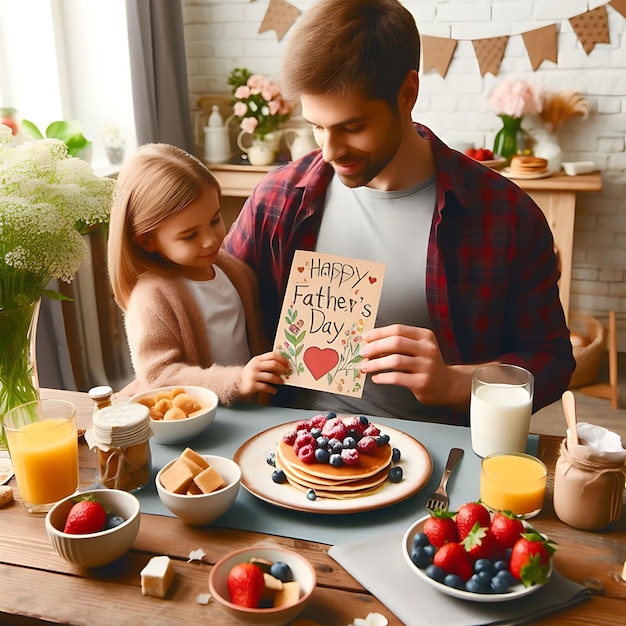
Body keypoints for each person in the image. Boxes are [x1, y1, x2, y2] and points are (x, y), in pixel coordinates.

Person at [224, 0, 575, 425]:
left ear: (408, 93)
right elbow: (212, 298)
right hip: (289, 452)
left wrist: (456, 382)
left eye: (353, 127)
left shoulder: (506, 215)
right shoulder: (277, 201)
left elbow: (552, 360)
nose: (329, 151)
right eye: (316, 126)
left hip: (442, 463)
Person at [107, 143, 289, 405]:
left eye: (215, 220)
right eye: (189, 235)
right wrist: (236, 382)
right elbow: (159, 377)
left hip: (256, 414)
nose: (210, 240)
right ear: (146, 241)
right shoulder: (152, 297)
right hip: (206, 423)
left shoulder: (235, 271)